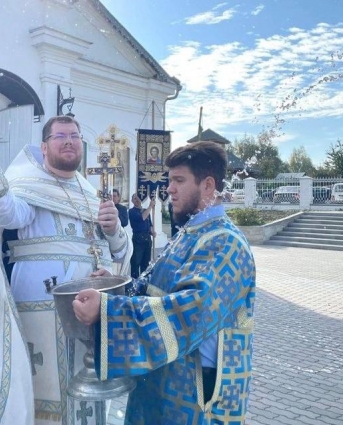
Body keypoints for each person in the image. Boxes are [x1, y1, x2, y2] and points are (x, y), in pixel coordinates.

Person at [0, 115, 132, 425]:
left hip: (91, 309)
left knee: (87, 393)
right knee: (47, 393)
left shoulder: (89, 192)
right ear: (44, 147)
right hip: (43, 305)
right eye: (60, 136)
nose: (69, 140)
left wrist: (113, 232)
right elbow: (8, 213)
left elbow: (117, 252)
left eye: (74, 135)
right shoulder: (29, 185)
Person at [72, 141, 257, 424]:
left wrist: (108, 309)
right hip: (163, 378)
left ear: (208, 186)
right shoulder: (190, 232)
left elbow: (188, 313)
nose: (169, 188)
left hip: (196, 393)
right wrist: (114, 288)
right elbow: (152, 288)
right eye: (170, 180)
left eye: (179, 180)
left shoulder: (225, 243)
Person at [128, 193, 155, 278]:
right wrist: (150, 206)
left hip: (147, 239)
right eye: (135, 198)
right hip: (138, 240)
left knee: (146, 263)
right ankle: (134, 283)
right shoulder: (132, 211)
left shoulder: (145, 211)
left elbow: (149, 224)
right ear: (132, 201)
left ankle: (144, 283)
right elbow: (142, 218)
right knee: (136, 263)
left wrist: (152, 232)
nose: (137, 200)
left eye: (139, 198)